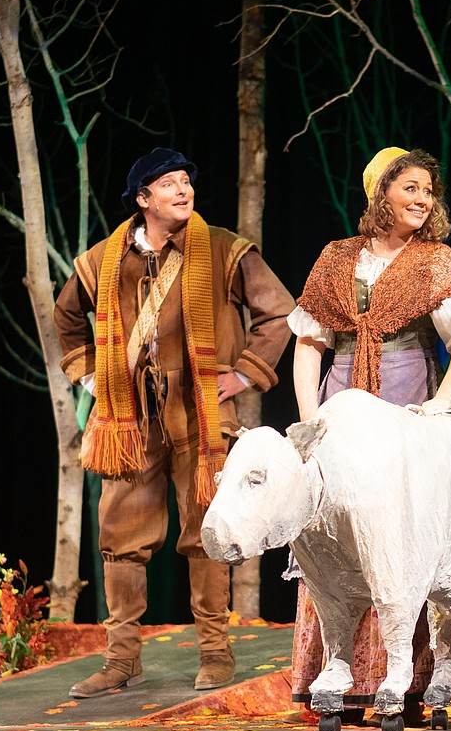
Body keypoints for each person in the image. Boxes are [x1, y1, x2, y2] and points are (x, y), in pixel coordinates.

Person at [54, 147, 296, 698]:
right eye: (169, 184)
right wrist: (92, 378)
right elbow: (67, 317)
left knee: (207, 531)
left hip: (201, 417)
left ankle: (215, 650)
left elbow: (280, 312)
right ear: (143, 200)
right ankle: (122, 661)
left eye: (186, 180)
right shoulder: (104, 260)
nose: (183, 190)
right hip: (129, 419)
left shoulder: (223, 250)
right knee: (120, 538)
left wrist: (242, 375)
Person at [286, 146, 451, 724]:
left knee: (406, 531)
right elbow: (309, 343)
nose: (423, 199)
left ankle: (414, 678)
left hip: (407, 397)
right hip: (340, 402)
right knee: (333, 532)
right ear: (380, 193)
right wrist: (311, 419)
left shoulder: (435, 260)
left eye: (430, 190)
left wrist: (440, 405)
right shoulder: (336, 259)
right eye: (411, 188)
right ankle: (336, 670)